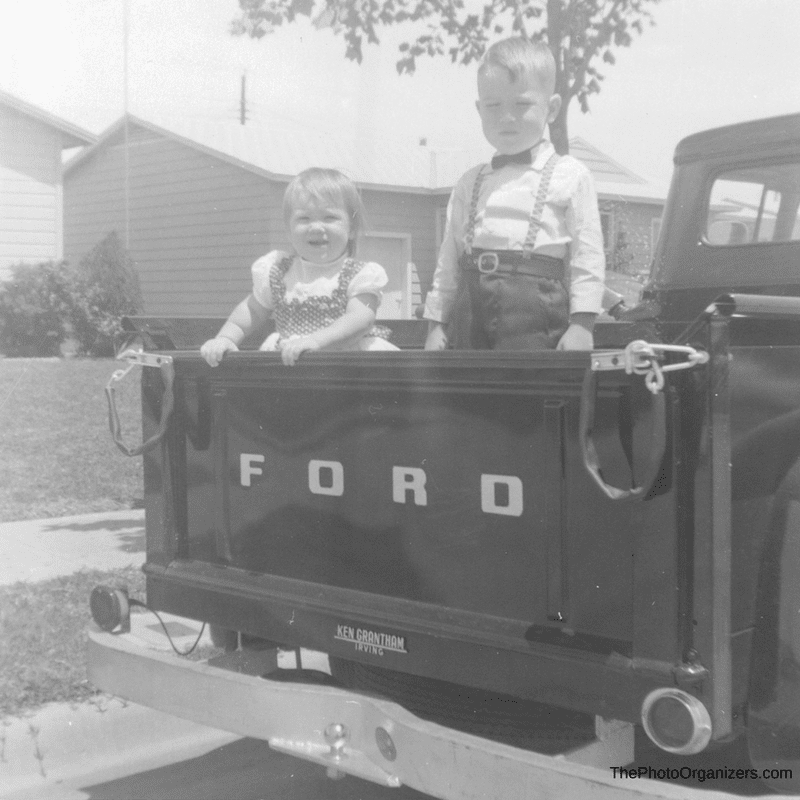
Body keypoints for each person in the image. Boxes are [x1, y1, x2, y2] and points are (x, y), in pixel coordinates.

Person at [424, 37, 606, 351]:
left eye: (521, 104)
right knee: (467, 392)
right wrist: (436, 322)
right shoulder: (469, 181)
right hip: (471, 310)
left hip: (535, 309)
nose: (506, 117)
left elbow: (587, 256)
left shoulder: (571, 174)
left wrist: (582, 324)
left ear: (551, 109)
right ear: (480, 109)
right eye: (494, 106)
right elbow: (448, 260)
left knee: (531, 393)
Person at [201, 167, 397, 367]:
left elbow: (360, 318)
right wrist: (226, 338)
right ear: (289, 230)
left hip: (345, 362)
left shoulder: (358, 275)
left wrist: (316, 341)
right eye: (304, 218)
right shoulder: (279, 271)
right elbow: (252, 310)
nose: (316, 227)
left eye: (329, 217)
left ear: (352, 229)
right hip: (291, 357)